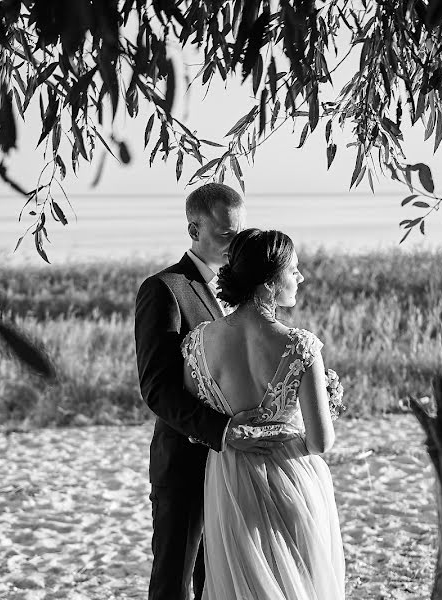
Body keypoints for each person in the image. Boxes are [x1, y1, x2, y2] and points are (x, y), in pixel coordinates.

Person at [135, 184, 296, 600]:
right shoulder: (166, 289)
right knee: (174, 584)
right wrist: (222, 431)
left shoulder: (243, 292)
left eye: (240, 233)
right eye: (226, 234)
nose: (236, 243)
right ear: (194, 228)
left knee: (221, 583)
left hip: (239, 473)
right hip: (187, 463)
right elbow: (157, 387)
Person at [180, 228, 345, 600]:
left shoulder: (199, 342)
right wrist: (323, 407)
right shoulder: (300, 346)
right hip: (293, 474)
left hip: (229, 479)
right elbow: (320, 442)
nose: (300, 277)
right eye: (294, 270)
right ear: (270, 283)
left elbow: (194, 426)